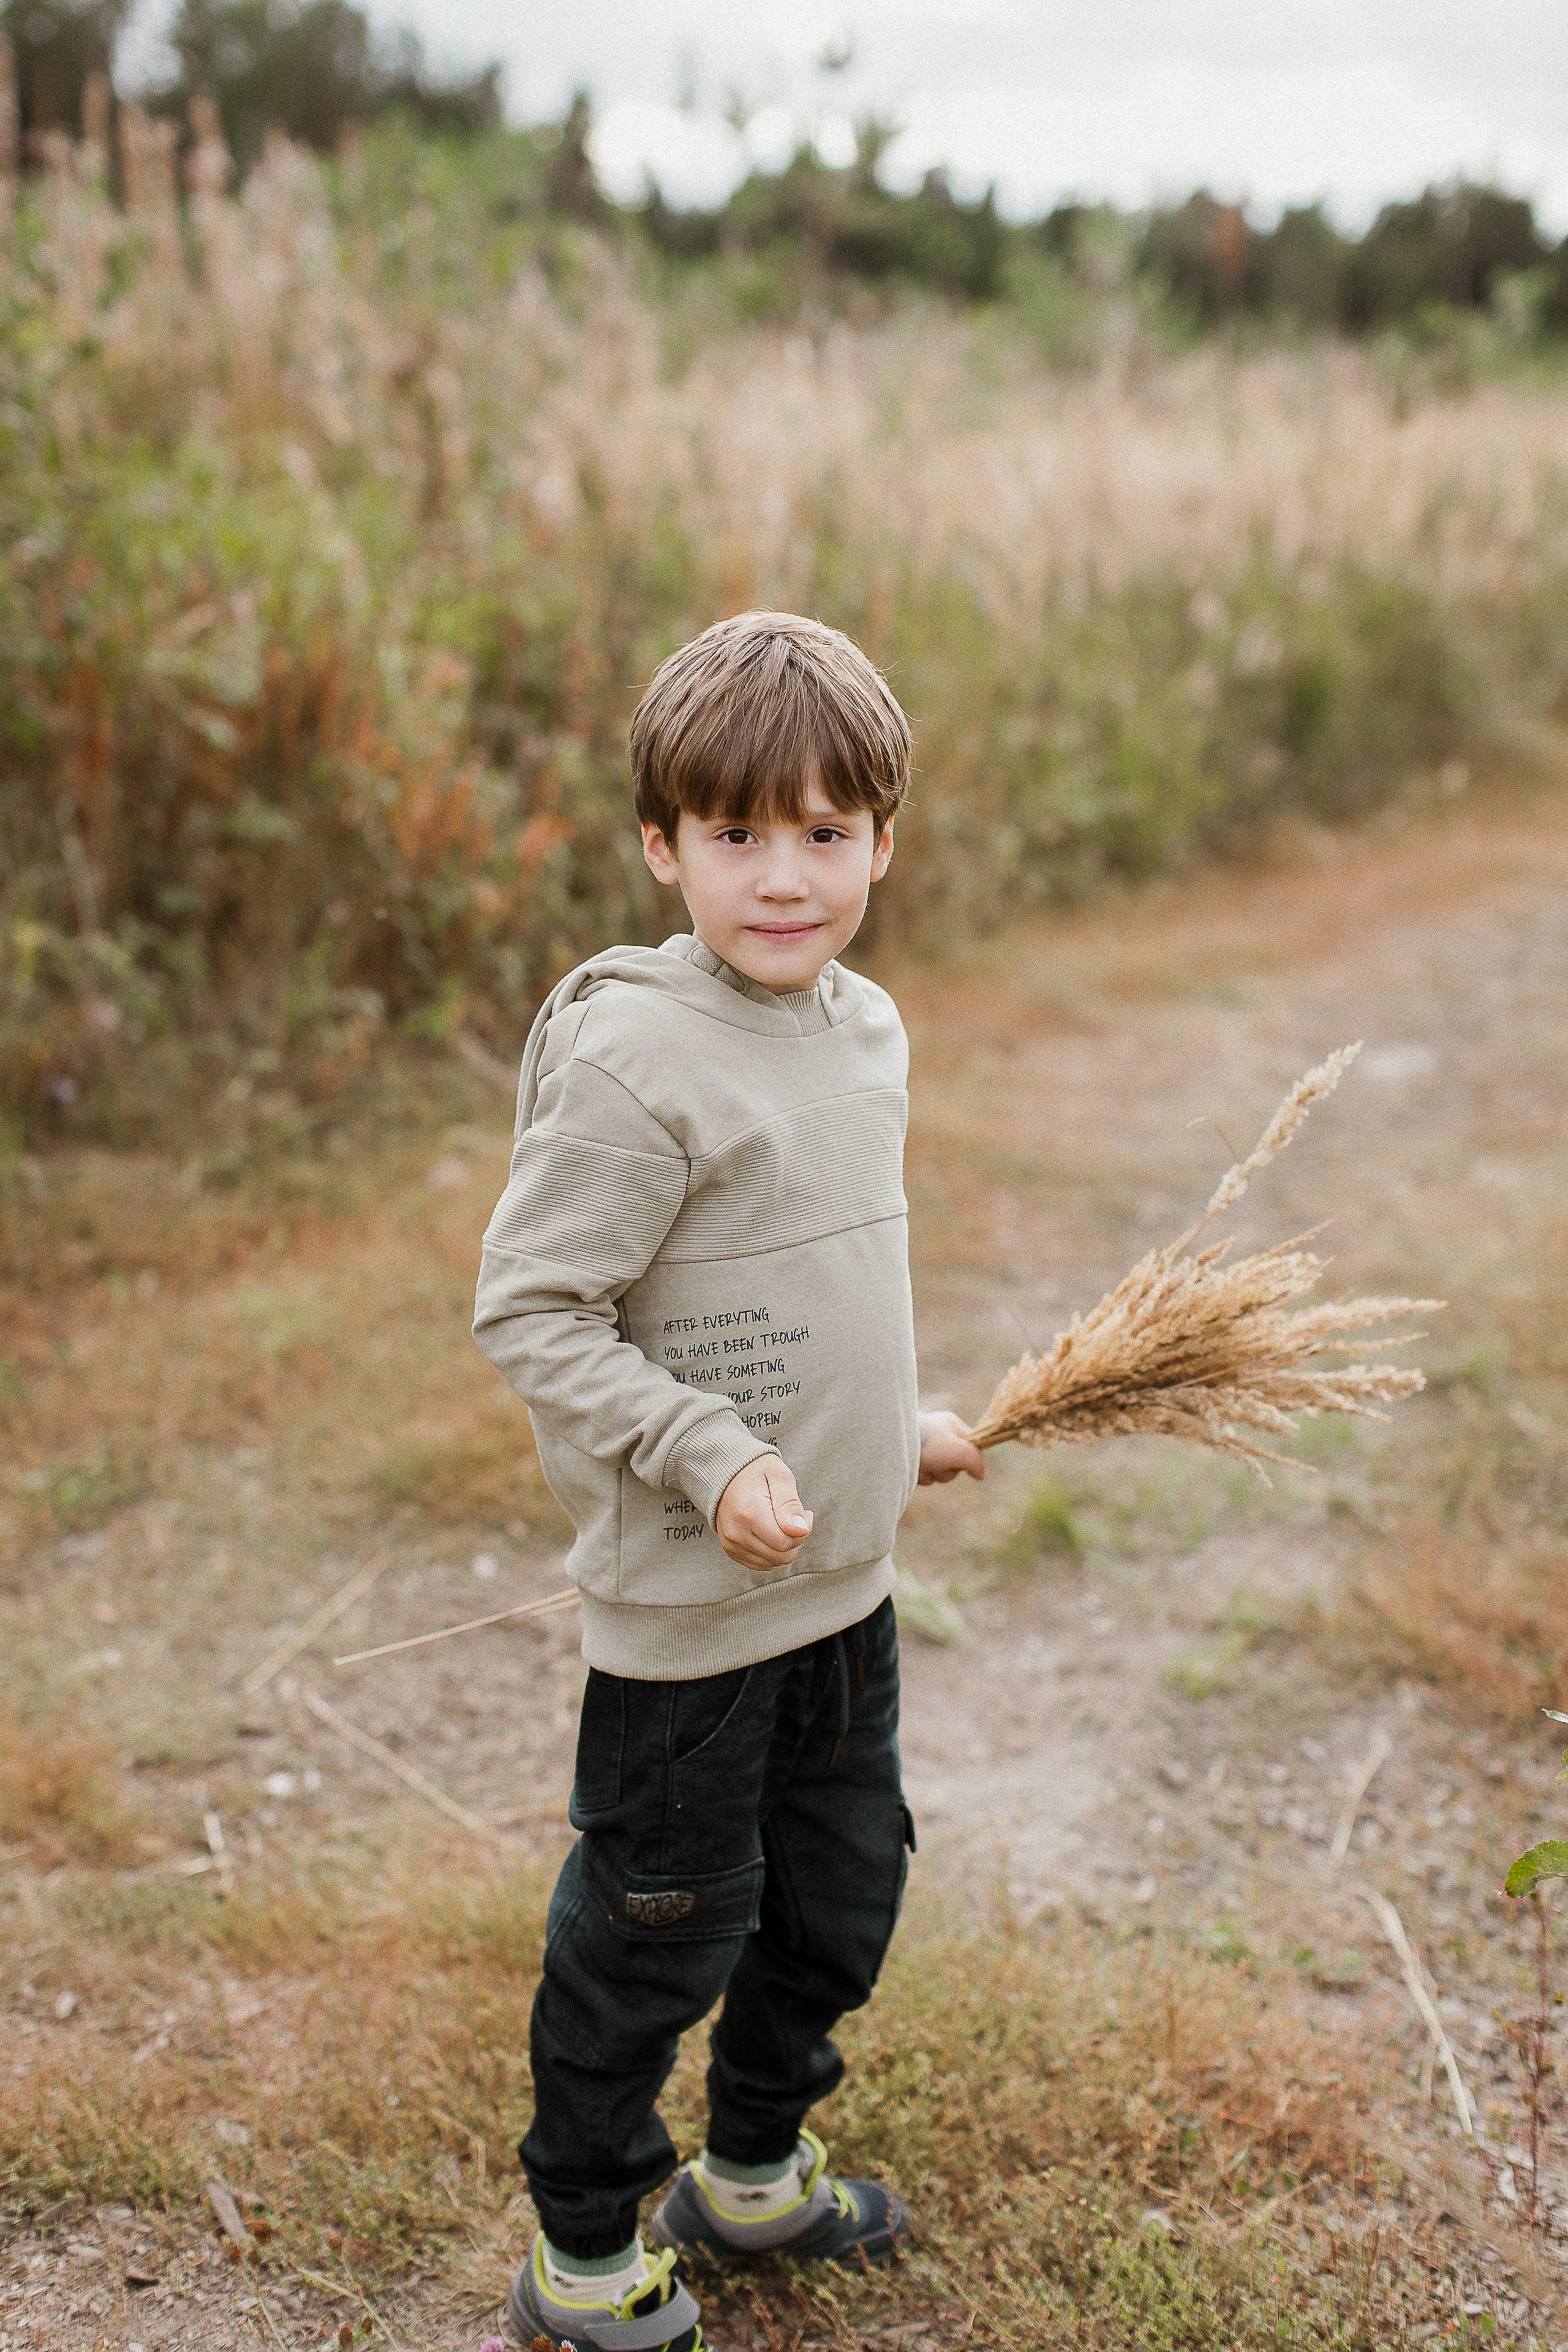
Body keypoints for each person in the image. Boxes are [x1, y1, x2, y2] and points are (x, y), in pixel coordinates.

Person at [472, 610, 986, 2352]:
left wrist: (887, 1427)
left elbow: (825, 1280)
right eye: (739, 834)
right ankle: (585, 2245)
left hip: (844, 1587)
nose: (788, 878)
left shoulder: (869, 1031)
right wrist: (709, 1454)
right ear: (661, 846)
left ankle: (754, 2170)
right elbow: (534, 1308)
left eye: (829, 833)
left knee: (840, 1898)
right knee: (655, 1932)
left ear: (884, 843)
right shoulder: (636, 1063)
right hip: (694, 1623)